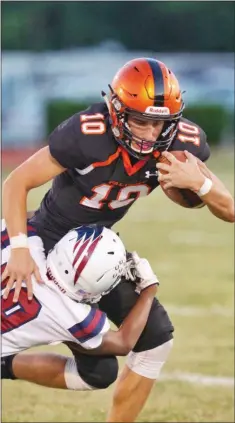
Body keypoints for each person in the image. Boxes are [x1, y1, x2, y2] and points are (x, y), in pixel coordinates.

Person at [2, 57, 234, 422]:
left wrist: (200, 184)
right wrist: (19, 248)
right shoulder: (87, 134)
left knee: (124, 357)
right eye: (140, 120)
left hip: (95, 253)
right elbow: (16, 182)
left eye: (159, 123)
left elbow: (229, 209)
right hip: (47, 243)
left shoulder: (181, 144)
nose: (148, 133)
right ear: (116, 110)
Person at [2, 222, 159, 392]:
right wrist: (149, 290)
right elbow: (123, 342)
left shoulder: (29, 243)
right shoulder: (73, 315)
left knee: (102, 370)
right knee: (100, 372)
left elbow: (27, 217)